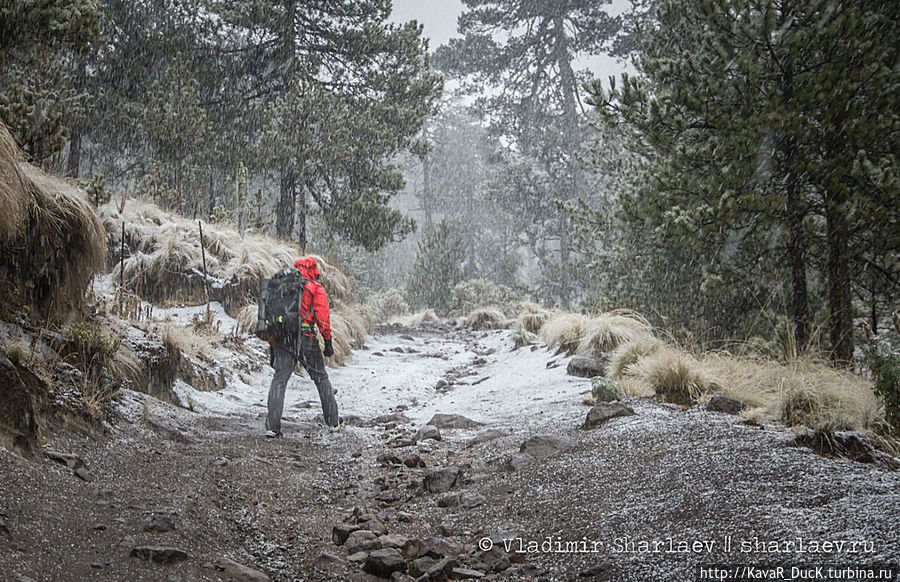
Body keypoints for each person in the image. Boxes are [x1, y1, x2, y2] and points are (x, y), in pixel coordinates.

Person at [266, 256, 340, 437]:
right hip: (306, 338)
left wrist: (272, 346)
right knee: (321, 379)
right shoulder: (314, 287)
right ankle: (333, 422)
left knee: (279, 381)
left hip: (282, 339)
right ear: (314, 269)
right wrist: (328, 341)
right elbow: (322, 317)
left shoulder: (282, 287)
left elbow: (271, 316)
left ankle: (272, 427)